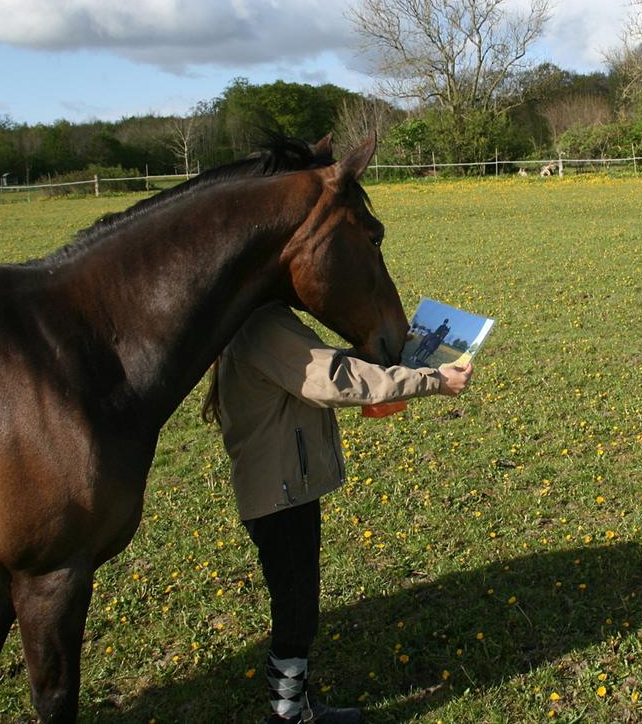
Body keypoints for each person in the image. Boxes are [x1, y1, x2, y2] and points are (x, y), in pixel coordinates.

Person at [202, 301, 473, 723]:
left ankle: (294, 709)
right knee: (296, 611)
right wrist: (433, 378)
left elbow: (327, 363)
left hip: (283, 488)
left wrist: (379, 360)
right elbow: (332, 379)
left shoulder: (253, 319)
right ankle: (288, 716)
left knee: (298, 604)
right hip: (281, 495)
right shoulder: (265, 325)